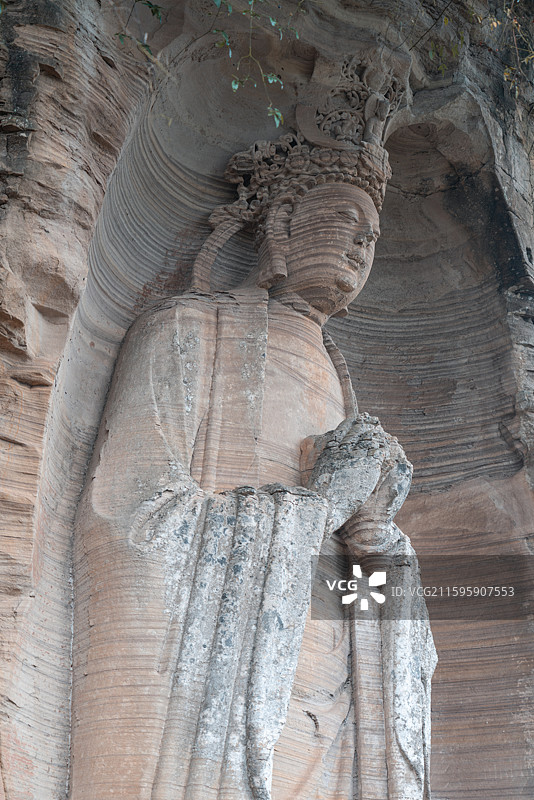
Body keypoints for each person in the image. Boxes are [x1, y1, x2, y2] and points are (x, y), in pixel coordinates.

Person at [70, 133, 435, 799]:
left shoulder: (344, 386)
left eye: (373, 237)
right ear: (285, 223)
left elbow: (359, 590)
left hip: (327, 683)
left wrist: (373, 534)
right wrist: (317, 507)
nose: (362, 249)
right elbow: (129, 515)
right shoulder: (187, 328)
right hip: (224, 673)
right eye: (348, 223)